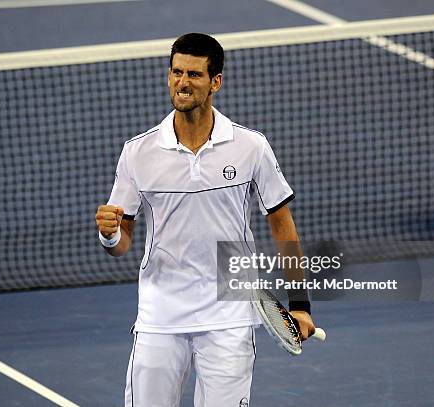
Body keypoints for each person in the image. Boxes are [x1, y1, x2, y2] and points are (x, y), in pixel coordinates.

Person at [95, 32, 316, 407]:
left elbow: (282, 226)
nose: (182, 82)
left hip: (229, 313)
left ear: (215, 82)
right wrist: (110, 237)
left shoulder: (250, 147)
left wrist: (300, 304)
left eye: (194, 75)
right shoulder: (137, 152)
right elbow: (123, 240)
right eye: (176, 72)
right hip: (161, 315)